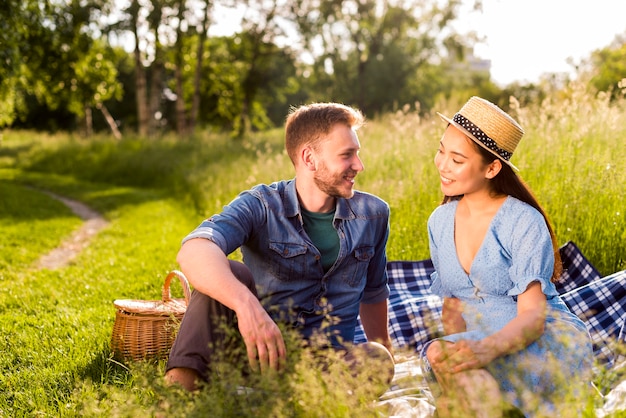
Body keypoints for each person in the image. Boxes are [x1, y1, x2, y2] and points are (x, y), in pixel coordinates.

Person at [165, 102, 394, 392]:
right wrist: (246, 306)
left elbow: (374, 291)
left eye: (357, 154)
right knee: (229, 275)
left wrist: (386, 351)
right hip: (257, 355)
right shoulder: (261, 204)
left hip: (327, 366)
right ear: (309, 158)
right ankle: (173, 401)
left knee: (377, 359)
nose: (359, 166)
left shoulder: (374, 214)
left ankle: (279, 400)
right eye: (347, 155)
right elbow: (195, 249)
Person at [421, 97, 593, 417]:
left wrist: (485, 349)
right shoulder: (439, 222)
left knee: (465, 391)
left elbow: (533, 317)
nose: (442, 164)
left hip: (537, 338)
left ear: (492, 167)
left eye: (457, 159)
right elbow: (453, 306)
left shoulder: (523, 221)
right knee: (436, 353)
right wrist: (457, 349)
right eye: (441, 150)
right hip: (479, 344)